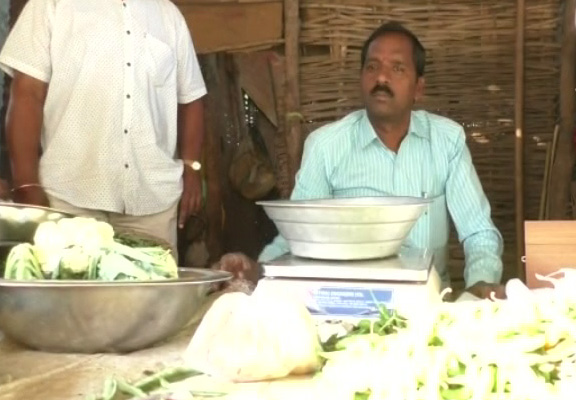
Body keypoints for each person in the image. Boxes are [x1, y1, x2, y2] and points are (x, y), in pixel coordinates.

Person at [218, 21, 506, 299]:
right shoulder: (326, 146)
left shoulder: (446, 141)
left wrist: (479, 286)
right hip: (348, 308)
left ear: (419, 88)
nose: (381, 78)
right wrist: (257, 271)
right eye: (372, 67)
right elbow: (297, 238)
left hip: (429, 305)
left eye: (397, 68)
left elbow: (478, 232)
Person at [0, 0, 207, 257]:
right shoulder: (51, 5)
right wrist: (26, 184)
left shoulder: (167, 15)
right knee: (73, 294)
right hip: (69, 201)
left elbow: (192, 99)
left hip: (152, 202)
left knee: (151, 295)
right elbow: (27, 94)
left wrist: (191, 167)